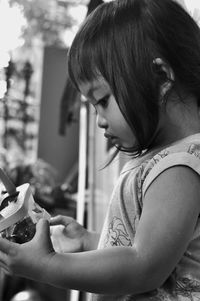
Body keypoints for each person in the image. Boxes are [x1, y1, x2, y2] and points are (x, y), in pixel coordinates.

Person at [1, 0, 200, 300]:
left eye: (103, 100)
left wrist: (47, 266)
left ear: (160, 78)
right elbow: (140, 248)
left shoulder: (179, 168)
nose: (99, 120)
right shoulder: (164, 161)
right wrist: (88, 241)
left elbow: (145, 266)